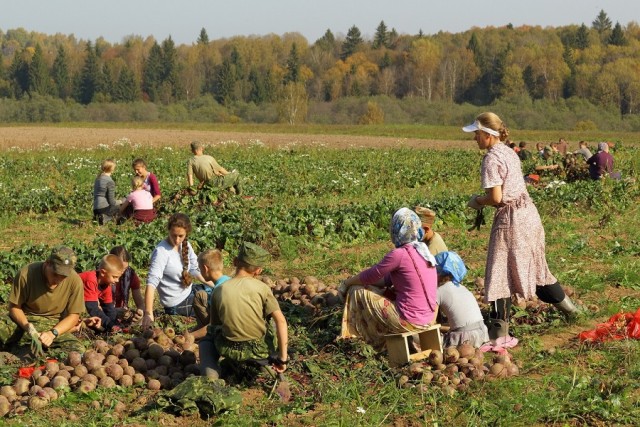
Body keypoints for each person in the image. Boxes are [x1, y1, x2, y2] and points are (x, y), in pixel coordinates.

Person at [462, 112, 579, 339]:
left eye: (477, 133)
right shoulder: (509, 152)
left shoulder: (491, 159)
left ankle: (499, 334)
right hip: (529, 215)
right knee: (537, 269)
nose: (474, 138)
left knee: (499, 273)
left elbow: (496, 197)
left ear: (488, 134)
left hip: (511, 220)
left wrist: (477, 202)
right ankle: (572, 311)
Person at [339, 207, 438, 350]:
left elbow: (370, 276)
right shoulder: (423, 251)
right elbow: (385, 280)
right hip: (429, 318)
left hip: (410, 320)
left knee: (357, 291)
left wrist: (346, 283)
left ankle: (359, 339)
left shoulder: (399, 254)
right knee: (374, 289)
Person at [199, 242, 288, 379]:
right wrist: (282, 358)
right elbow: (281, 321)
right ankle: (269, 364)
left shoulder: (219, 290)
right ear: (258, 271)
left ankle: (211, 375)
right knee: (274, 322)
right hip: (259, 351)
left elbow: (214, 325)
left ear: (235, 262)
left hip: (228, 348)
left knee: (207, 341)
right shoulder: (262, 288)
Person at [0, 246, 86, 356]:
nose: (58, 280)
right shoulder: (26, 274)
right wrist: (28, 327)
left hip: (52, 325)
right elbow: (14, 307)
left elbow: (74, 316)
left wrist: (52, 333)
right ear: (47, 263)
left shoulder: (75, 281)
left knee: (78, 351)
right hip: (24, 321)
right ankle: (19, 346)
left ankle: (31, 352)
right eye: (55, 274)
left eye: (63, 276)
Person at [142, 213, 212, 329]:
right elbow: (151, 283)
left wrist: (216, 284)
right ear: (168, 230)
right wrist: (148, 313)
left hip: (189, 292)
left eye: (181, 236)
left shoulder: (186, 245)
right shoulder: (161, 252)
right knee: (213, 306)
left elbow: (195, 269)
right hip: (177, 303)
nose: (177, 239)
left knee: (218, 294)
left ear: (186, 233)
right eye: (173, 235)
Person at [434, 251, 489, 348]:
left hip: (464, 339)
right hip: (482, 333)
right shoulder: (462, 288)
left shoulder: (439, 291)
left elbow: (431, 323)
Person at [192, 249, 232, 338]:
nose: (200, 273)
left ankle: (207, 337)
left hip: (225, 329)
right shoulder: (229, 280)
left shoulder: (218, 291)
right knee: (200, 294)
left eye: (200, 269)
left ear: (205, 268)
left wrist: (191, 335)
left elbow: (213, 324)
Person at [79, 254, 124, 332]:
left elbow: (108, 308)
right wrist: (110, 324)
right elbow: (93, 309)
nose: (117, 280)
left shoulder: (107, 284)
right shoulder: (90, 280)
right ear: (103, 273)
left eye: (118, 277)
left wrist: (114, 324)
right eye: (114, 277)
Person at [109, 246, 144, 322]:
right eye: (120, 267)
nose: (122, 272)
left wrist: (140, 312)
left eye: (125, 268)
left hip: (122, 315)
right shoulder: (103, 276)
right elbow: (97, 307)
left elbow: (140, 304)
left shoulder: (130, 275)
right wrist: (114, 311)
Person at [93, 159, 119, 225]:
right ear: (112, 169)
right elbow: (112, 202)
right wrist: (122, 201)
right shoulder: (110, 181)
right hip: (103, 208)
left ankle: (98, 218)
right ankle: (107, 218)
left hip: (95, 209)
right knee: (121, 206)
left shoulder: (98, 178)